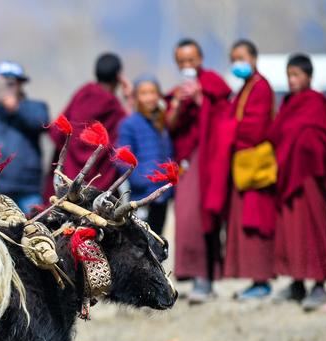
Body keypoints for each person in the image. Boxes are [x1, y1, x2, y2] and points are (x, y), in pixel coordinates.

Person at [269, 54, 326, 311]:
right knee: (291, 233)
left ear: (308, 77)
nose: (292, 81)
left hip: (311, 179)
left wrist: (322, 166)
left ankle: (320, 286)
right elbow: (276, 134)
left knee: (314, 232)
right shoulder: (288, 103)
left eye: (296, 75)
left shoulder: (318, 103)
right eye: (289, 75)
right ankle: (297, 284)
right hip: (288, 178)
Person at [165, 38, 233, 303]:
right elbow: (170, 126)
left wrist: (201, 98)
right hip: (188, 162)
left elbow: (224, 116)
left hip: (210, 159)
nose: (187, 65)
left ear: (201, 60)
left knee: (205, 216)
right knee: (187, 219)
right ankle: (194, 275)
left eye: (191, 60)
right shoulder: (176, 92)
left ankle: (206, 278)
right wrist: (182, 103)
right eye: (181, 62)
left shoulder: (214, 85)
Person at [223, 39, 276, 300]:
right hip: (243, 169)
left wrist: (229, 129)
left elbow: (255, 129)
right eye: (233, 59)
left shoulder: (261, 87)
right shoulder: (246, 87)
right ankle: (256, 281)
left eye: (241, 58)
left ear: (254, 58)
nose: (237, 64)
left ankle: (262, 281)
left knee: (256, 224)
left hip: (254, 170)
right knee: (246, 224)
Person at [0, 60, 50, 213]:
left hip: (27, 189)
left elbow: (42, 123)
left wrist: (16, 108)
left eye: (11, 83)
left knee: (33, 230)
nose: (7, 87)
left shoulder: (35, 107)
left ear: (20, 84)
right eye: (4, 82)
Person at [46, 53, 130, 198]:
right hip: (98, 181)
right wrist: (129, 98)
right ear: (118, 77)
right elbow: (129, 130)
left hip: (68, 179)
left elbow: (57, 131)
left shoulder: (83, 93)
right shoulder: (114, 105)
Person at [117, 75, 174, 234]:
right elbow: (122, 160)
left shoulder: (162, 122)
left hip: (162, 195)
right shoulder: (129, 124)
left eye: (152, 92)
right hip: (142, 196)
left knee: (157, 239)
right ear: (136, 97)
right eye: (144, 93)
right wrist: (142, 181)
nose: (149, 97)